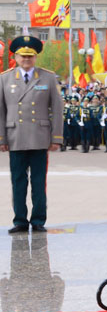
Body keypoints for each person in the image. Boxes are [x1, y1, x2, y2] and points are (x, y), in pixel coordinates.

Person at [0, 35, 64, 233]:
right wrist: (1, 138)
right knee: (18, 182)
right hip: (15, 137)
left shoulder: (48, 77)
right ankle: (20, 221)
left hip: (39, 138)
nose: (26, 60)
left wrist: (56, 137)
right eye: (23, 56)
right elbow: (1, 111)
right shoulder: (4, 78)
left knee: (38, 182)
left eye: (30, 56)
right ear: (16, 57)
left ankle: (38, 220)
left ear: (36, 57)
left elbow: (57, 109)